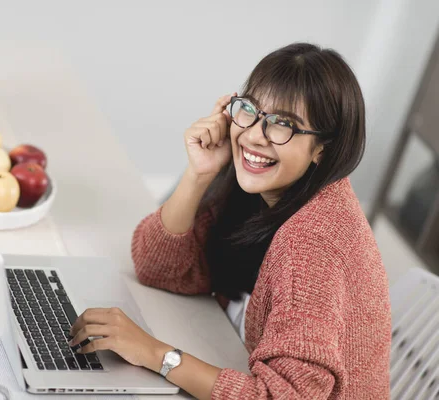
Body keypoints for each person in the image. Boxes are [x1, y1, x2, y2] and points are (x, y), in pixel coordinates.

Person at [69, 42, 391, 399]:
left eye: (283, 124)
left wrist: (155, 354)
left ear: (323, 149)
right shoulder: (261, 189)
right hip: (228, 352)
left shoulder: (312, 244)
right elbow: (158, 268)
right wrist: (199, 174)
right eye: (251, 110)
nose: (254, 134)